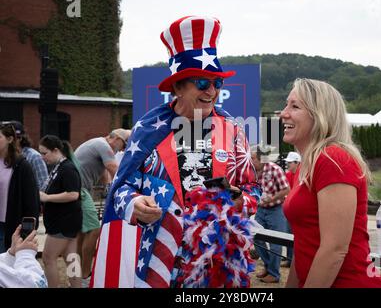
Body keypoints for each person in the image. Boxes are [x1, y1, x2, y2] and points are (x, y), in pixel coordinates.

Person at [90, 15, 260, 288]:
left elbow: (253, 189)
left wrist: (241, 201)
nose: (212, 92)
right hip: (160, 261)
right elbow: (120, 190)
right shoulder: (148, 130)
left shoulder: (233, 129)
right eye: (203, 84)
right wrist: (135, 204)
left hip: (218, 264)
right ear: (177, 87)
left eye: (218, 83)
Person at [280, 78, 381, 288]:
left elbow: (334, 249)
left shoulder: (334, 159)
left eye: (294, 106)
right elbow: (304, 245)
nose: (284, 113)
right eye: (286, 104)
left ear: (320, 115)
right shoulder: (307, 165)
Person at [74, 128, 130, 287]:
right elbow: (114, 169)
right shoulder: (103, 145)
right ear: (117, 138)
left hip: (78, 189)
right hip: (81, 191)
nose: (124, 149)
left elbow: (106, 172)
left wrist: (108, 188)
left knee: (82, 232)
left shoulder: (96, 144)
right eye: (124, 144)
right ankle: (85, 275)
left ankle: (78, 275)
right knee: (94, 230)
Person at [39, 135, 82, 288]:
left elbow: (73, 194)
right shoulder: (59, 167)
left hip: (64, 221)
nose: (43, 157)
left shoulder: (67, 168)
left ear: (56, 150)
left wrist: (47, 197)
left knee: (48, 258)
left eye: (45, 153)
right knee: (71, 257)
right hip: (67, 221)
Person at [251, 146, 290, 283]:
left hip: (276, 209)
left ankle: (274, 274)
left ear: (262, 158)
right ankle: (269, 267)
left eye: (253, 158)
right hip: (261, 210)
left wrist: (271, 198)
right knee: (255, 237)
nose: (251, 160)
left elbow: (286, 189)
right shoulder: (252, 171)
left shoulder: (274, 169)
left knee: (275, 242)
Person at [0, 123, 40, 253]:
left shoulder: (21, 166)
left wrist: (28, 229)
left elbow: (31, 200)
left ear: (10, 139)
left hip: (10, 226)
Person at [1, 121, 48, 190]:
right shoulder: (4, 157)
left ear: (21, 138)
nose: (12, 141)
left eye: (16, 137)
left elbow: (43, 184)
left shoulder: (34, 156)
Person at [280, 151, 301, 268]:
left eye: (290, 163)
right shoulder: (288, 175)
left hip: (297, 211)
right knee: (289, 234)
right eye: (287, 163)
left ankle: (294, 259)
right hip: (288, 209)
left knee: (296, 235)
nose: (288, 165)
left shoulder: (301, 174)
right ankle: (289, 259)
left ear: (297, 163)